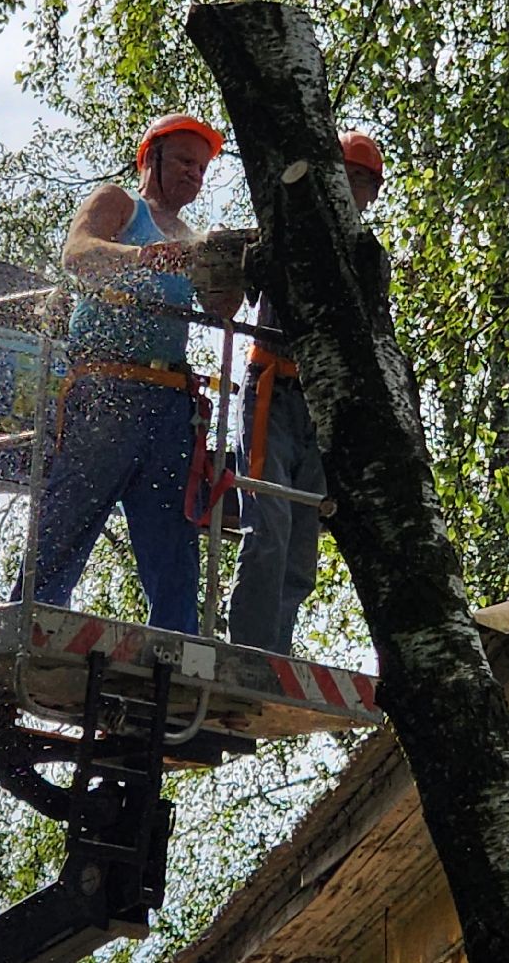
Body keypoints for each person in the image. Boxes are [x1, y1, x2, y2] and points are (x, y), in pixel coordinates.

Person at [17, 112, 240, 633]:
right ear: (151, 159)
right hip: (107, 387)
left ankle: (178, 644)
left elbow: (224, 309)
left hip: (168, 402)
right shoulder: (120, 204)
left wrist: (231, 267)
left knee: (173, 537)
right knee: (69, 516)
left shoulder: (194, 240)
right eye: (185, 161)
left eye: (203, 168)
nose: (195, 175)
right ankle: (34, 618)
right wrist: (143, 257)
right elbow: (78, 253)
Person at [227, 130, 385, 654]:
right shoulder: (288, 234)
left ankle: (274, 652)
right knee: (268, 526)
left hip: (322, 406)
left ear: (373, 193)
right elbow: (242, 280)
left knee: (299, 546)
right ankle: (250, 650)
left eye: (364, 182)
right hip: (272, 389)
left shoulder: (366, 257)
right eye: (347, 178)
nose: (354, 190)